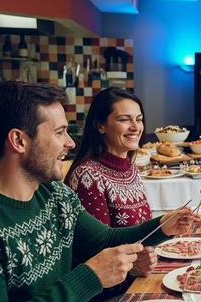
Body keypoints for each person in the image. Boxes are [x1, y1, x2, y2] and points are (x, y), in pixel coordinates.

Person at [0, 82, 200, 302]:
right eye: (59, 133)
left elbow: (105, 239)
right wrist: (89, 277)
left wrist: (164, 225)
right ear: (19, 140)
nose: (69, 143)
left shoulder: (54, 196)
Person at [64, 87, 154, 300]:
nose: (135, 127)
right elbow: (95, 255)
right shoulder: (88, 176)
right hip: (109, 294)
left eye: (139, 119)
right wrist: (134, 267)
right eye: (125, 119)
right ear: (100, 125)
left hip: (138, 280)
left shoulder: (130, 167)